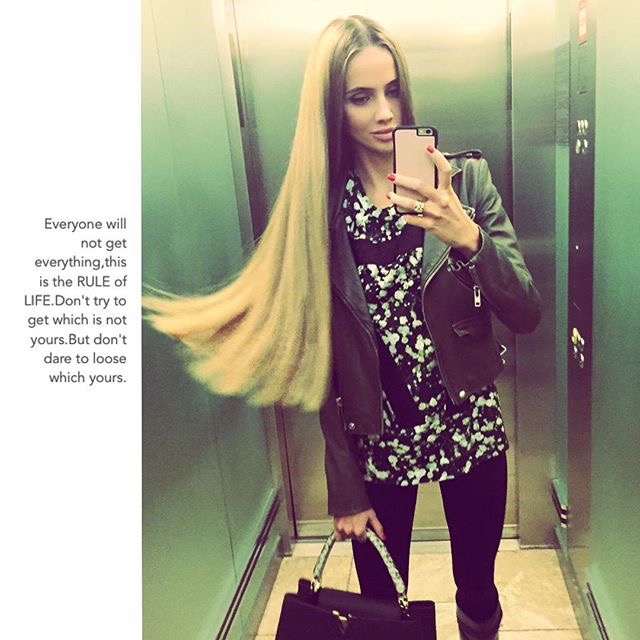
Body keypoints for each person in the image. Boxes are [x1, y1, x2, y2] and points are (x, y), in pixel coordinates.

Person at [143, 15, 541, 640]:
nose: (385, 112)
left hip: (468, 427)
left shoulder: (464, 182)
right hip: (376, 443)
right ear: (332, 107)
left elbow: (526, 312)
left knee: (478, 590)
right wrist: (344, 485)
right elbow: (323, 361)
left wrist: (467, 237)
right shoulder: (321, 214)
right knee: (381, 604)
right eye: (361, 97)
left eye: (393, 90)